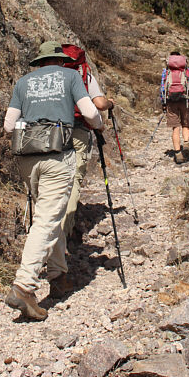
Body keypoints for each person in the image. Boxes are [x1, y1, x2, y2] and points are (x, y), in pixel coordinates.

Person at [3, 40, 103, 320]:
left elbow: (9, 125)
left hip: (27, 156)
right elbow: (91, 112)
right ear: (59, 60)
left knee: (49, 213)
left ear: (40, 61)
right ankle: (24, 285)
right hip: (58, 155)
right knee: (47, 219)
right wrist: (99, 125)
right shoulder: (71, 76)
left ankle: (58, 275)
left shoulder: (23, 82)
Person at [60, 44, 114, 242]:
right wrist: (109, 105)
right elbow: (98, 104)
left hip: (51, 130)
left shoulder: (52, 74)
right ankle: (64, 230)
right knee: (73, 179)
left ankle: (50, 227)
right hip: (78, 129)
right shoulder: (83, 74)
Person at [160, 51, 189, 164]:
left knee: (175, 128)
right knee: (185, 124)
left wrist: (163, 103)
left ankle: (178, 154)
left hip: (171, 101)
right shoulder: (186, 70)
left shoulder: (166, 71)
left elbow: (162, 89)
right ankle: (186, 143)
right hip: (185, 100)